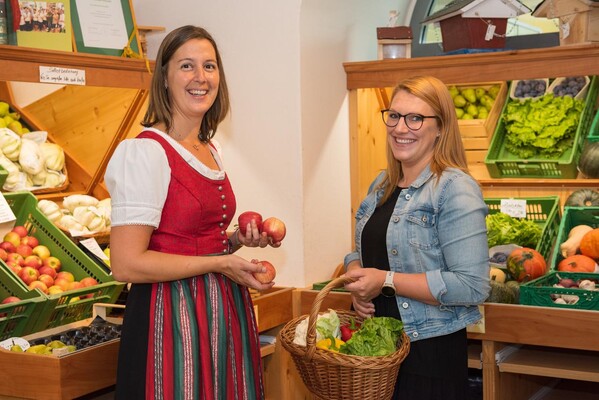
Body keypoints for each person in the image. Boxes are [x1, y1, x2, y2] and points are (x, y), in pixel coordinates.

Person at [105, 25, 280, 399]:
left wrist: (234, 242)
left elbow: (197, 241)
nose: (201, 78)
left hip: (218, 310)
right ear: (164, 78)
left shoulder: (208, 148)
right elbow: (126, 263)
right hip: (168, 317)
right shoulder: (145, 153)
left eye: (210, 66)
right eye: (187, 66)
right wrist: (218, 264)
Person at [343, 75, 490, 399]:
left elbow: (472, 285)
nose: (400, 127)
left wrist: (385, 280)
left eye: (415, 118)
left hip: (429, 357)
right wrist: (358, 282)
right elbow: (363, 252)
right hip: (379, 352)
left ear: (440, 127)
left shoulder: (454, 188)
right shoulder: (382, 185)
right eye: (394, 116)